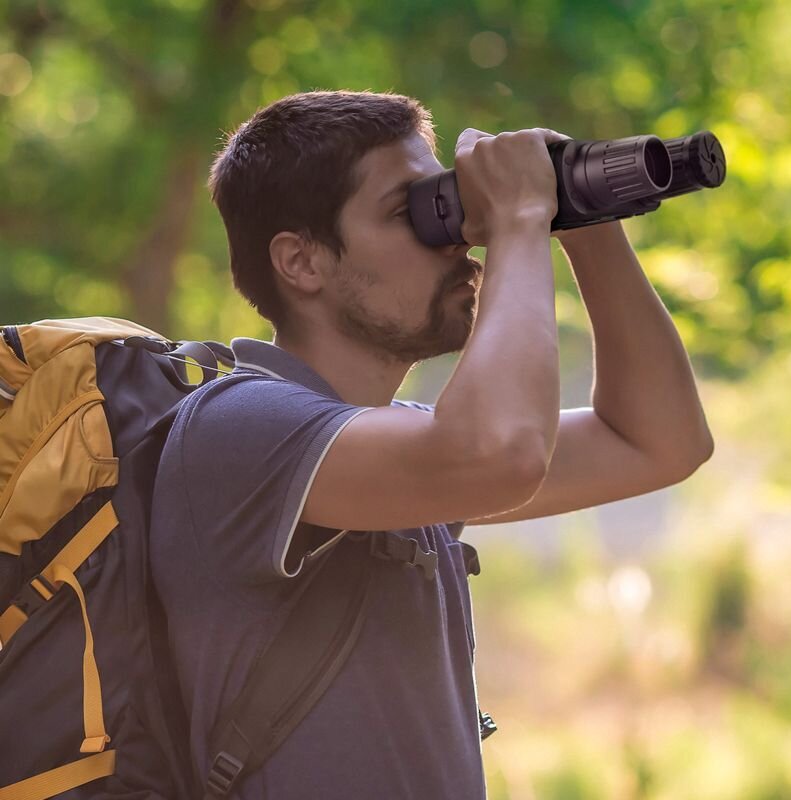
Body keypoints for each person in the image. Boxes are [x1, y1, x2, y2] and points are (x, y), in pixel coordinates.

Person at [148, 89, 714, 799]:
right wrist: (519, 218)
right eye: (406, 211)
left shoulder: (401, 443)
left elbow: (659, 441)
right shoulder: (241, 427)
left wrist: (581, 216)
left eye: (440, 200)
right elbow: (499, 454)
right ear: (302, 262)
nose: (457, 240)